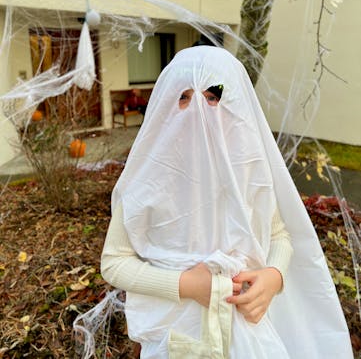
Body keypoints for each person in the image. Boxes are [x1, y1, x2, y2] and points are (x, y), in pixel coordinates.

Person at [101, 46, 353, 358]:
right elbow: (114, 262)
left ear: (236, 103)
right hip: (174, 339)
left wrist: (273, 275)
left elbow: (278, 235)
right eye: (183, 96)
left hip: (250, 337)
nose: (198, 110)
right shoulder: (147, 181)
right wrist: (186, 285)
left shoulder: (249, 172)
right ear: (164, 106)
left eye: (213, 96)